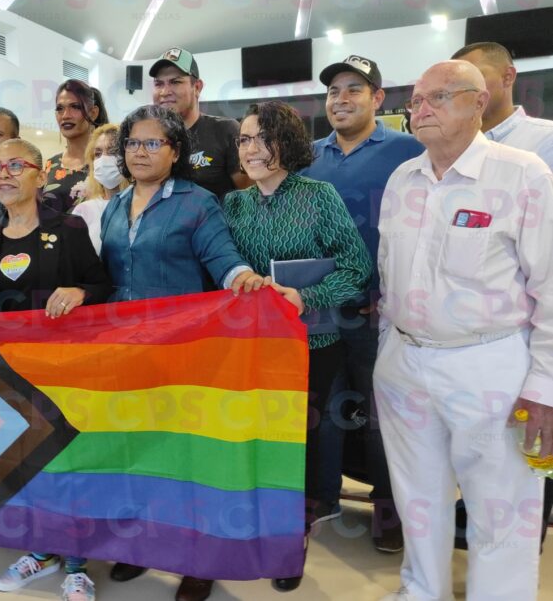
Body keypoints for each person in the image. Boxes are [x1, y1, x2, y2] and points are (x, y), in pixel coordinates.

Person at [375, 60, 553, 601]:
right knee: (418, 497)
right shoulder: (402, 178)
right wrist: (389, 348)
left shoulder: (523, 174)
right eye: (415, 99)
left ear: (479, 103)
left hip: (490, 363)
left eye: (438, 97)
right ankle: (421, 590)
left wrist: (544, 388)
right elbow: (389, 272)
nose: (420, 108)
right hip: (405, 361)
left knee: (500, 506)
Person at [100, 104, 266, 601]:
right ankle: (141, 544)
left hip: (180, 353)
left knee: (189, 459)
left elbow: (223, 259)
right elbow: (106, 273)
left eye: (154, 143)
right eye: (132, 142)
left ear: (176, 151)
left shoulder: (197, 201)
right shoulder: (114, 203)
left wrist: (244, 279)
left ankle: (200, 558)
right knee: (136, 452)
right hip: (124, 352)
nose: (140, 151)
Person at [0, 138, 110, 601]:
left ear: (41, 175)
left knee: (69, 462)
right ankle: (40, 551)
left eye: (16, 165)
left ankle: (78, 564)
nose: (3, 174)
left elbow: (101, 282)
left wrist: (81, 293)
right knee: (25, 463)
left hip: (66, 370)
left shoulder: (69, 228)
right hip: (10, 374)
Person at [223, 101, 371, 592]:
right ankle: (261, 527)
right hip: (255, 347)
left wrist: (305, 297)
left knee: (303, 444)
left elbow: (355, 267)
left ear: (286, 143)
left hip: (315, 341)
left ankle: (293, 541)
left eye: (261, 137)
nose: (250, 148)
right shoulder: (234, 203)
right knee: (261, 440)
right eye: (244, 139)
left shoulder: (318, 195)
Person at [300, 54, 423, 553]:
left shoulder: (407, 150)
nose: (341, 99)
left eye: (354, 89)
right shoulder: (308, 156)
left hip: (380, 313)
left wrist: (391, 292)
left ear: (377, 99)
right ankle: (323, 497)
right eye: (333, 91)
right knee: (326, 410)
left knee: (381, 416)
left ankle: (389, 509)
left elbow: (420, 230)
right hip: (321, 309)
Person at [452, 40, 553, 549]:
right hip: (472, 329)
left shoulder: (543, 142)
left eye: (478, 77)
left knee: (529, 441)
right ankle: (472, 522)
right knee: (482, 444)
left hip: (531, 316)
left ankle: (524, 535)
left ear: (508, 76)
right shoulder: (449, 147)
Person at [150, 47, 251, 200]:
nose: (164, 92)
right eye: (159, 84)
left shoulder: (225, 130)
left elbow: (250, 196)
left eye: (175, 82)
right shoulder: (148, 140)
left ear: (197, 87)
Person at [43, 79, 109, 212]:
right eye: (60, 108)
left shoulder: (108, 162)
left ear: (93, 113)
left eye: (75, 107)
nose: (65, 115)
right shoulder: (51, 165)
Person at [72, 123, 127, 254]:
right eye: (98, 153)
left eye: (113, 152)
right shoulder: (83, 211)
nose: (103, 159)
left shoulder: (142, 206)